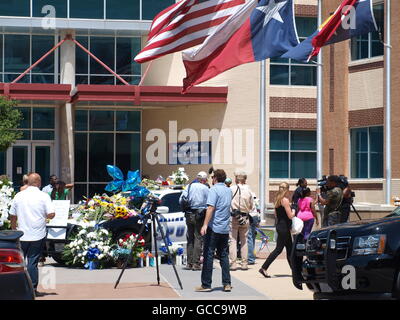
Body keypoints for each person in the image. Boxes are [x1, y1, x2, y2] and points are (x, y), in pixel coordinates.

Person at [9, 173, 55, 297]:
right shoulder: (44, 196)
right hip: (37, 234)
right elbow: (51, 214)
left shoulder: (19, 195)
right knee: (33, 262)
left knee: (19, 262)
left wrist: (14, 230)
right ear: (39, 183)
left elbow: (12, 215)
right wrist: (43, 216)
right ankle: (32, 288)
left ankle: (18, 287)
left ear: (28, 182)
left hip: (21, 234)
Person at [195, 169, 232, 292]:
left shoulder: (214, 189)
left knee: (208, 254)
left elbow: (211, 207)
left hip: (214, 227)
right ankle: (227, 283)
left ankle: (206, 284)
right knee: (223, 255)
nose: (212, 179)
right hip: (225, 228)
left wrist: (205, 224)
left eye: (212, 177)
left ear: (215, 178)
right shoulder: (228, 190)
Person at [259, 182, 295, 278]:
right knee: (278, 250)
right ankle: (264, 267)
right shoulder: (285, 200)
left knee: (290, 249)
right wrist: (295, 211)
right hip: (284, 228)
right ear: (287, 189)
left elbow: (276, 214)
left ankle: (295, 271)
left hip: (280, 226)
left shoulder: (277, 200)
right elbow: (290, 216)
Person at [179, 171, 209, 271]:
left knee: (190, 238)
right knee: (198, 238)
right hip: (200, 214)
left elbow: (181, 199)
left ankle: (189, 263)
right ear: (204, 180)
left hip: (189, 214)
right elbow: (209, 202)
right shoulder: (205, 188)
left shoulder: (189, 186)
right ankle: (196, 264)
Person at [229, 171, 253, 271]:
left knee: (233, 240)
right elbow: (251, 205)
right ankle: (244, 263)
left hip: (234, 216)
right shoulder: (248, 190)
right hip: (245, 217)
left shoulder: (231, 189)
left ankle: (233, 263)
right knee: (244, 241)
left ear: (236, 179)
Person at [247, 193, 260, 265]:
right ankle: (252, 255)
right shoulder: (253, 195)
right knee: (252, 237)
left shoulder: (246, 194)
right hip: (255, 216)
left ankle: (251, 258)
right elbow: (258, 209)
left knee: (249, 238)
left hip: (250, 216)